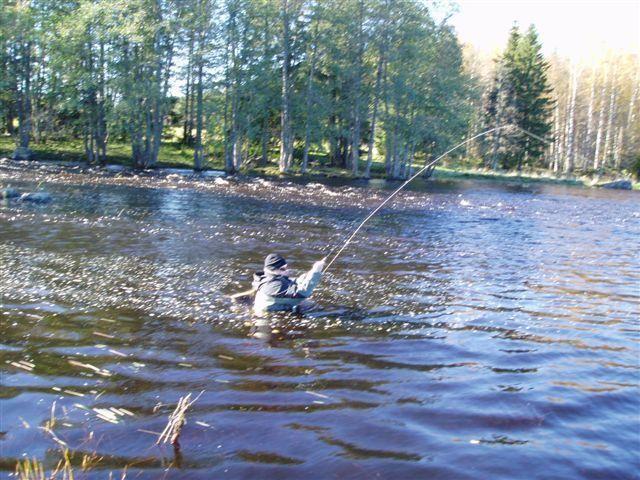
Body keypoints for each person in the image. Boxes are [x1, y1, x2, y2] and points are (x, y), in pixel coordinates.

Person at [252, 253, 325, 314]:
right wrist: (316, 272)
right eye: (283, 269)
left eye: (286, 267)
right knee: (317, 308)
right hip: (269, 317)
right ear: (273, 270)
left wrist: (310, 273)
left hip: (277, 308)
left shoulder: (269, 277)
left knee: (310, 304)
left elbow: (293, 282)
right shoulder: (273, 285)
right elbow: (303, 293)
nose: (287, 270)